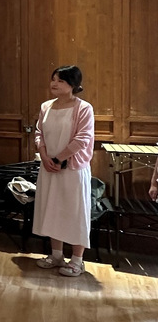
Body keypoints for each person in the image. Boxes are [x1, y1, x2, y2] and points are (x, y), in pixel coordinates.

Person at [33, 65, 95, 277]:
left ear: (73, 84)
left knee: (76, 212)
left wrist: (60, 158)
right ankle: (56, 255)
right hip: (49, 167)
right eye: (53, 79)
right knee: (53, 210)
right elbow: (39, 133)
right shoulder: (46, 106)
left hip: (72, 169)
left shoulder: (84, 108)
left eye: (60, 80)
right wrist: (44, 155)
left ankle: (77, 260)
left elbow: (83, 138)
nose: (54, 84)